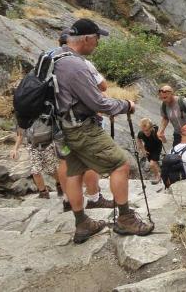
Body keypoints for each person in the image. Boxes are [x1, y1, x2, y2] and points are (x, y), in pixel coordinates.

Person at [54, 18, 154, 243]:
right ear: (87, 38)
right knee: (120, 164)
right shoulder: (76, 65)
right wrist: (126, 105)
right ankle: (125, 219)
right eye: (97, 38)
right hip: (82, 128)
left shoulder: (53, 56)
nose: (98, 43)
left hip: (62, 128)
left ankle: (82, 224)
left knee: (74, 172)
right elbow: (99, 103)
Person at [53, 29, 115, 213]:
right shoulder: (81, 63)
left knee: (65, 161)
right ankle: (94, 197)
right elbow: (103, 86)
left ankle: (68, 199)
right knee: (90, 159)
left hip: (57, 123)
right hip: (81, 121)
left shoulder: (50, 60)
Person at [10, 127, 61, 199]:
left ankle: (60, 185)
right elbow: (20, 135)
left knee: (51, 170)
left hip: (47, 145)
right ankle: (43, 193)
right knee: (35, 171)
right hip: (32, 147)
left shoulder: (43, 115)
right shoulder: (21, 117)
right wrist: (15, 149)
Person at [137, 119, 162, 185]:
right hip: (148, 149)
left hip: (157, 148)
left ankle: (158, 176)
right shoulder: (141, 133)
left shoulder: (156, 132)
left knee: (152, 164)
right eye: (144, 130)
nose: (146, 132)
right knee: (152, 163)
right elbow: (138, 139)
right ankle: (158, 172)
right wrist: (143, 150)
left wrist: (162, 137)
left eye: (147, 130)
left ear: (151, 128)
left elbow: (164, 141)